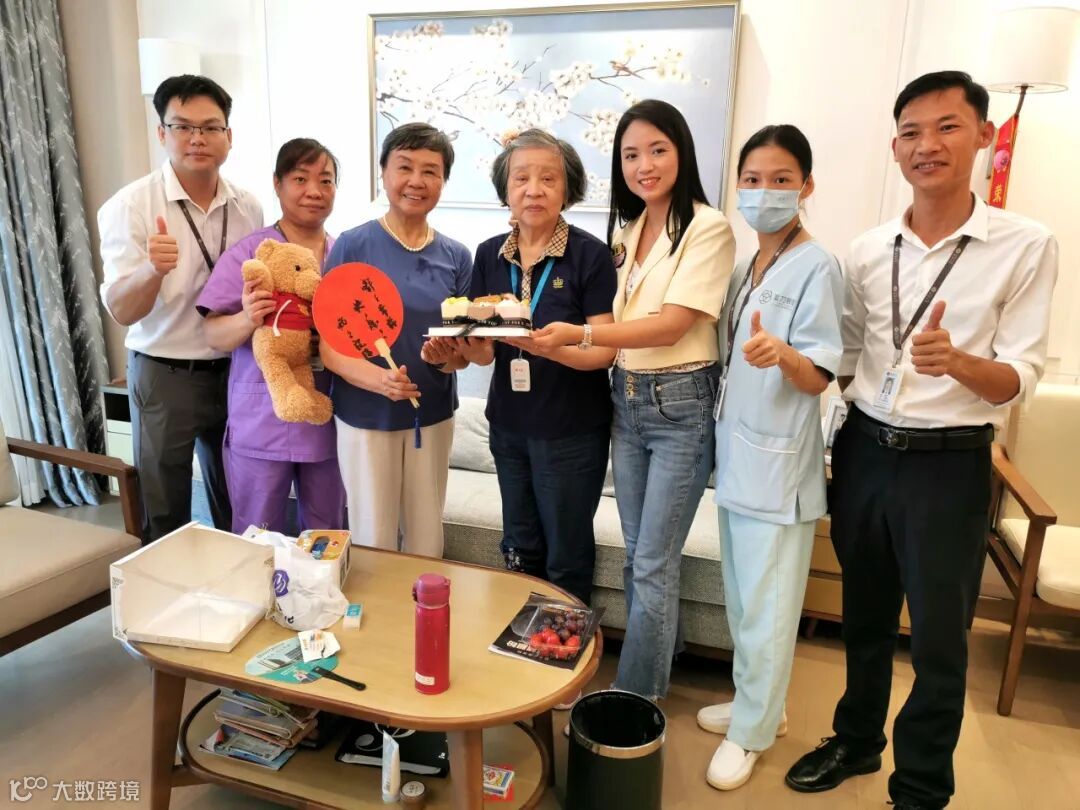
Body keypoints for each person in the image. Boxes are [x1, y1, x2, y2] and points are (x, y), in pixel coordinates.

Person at [785, 71, 1058, 809]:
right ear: (895, 147)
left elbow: (1020, 377)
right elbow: (846, 354)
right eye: (911, 132)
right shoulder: (870, 248)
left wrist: (959, 362)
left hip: (951, 464)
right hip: (867, 453)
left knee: (938, 640)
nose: (926, 145)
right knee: (865, 618)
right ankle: (856, 742)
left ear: (984, 136)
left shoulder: (1025, 245)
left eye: (946, 127)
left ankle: (921, 786)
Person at [532, 99, 735, 699]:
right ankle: (658, 662)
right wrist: (558, 342)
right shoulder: (624, 234)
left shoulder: (709, 227)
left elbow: (671, 326)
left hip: (680, 404)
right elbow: (613, 321)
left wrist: (580, 335)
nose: (644, 165)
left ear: (682, 153)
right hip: (625, 398)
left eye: (657, 150)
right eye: (630, 155)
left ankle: (636, 696)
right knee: (636, 557)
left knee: (652, 561)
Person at [696, 125, 842, 791]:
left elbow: (818, 377)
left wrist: (784, 355)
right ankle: (760, 705)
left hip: (779, 471)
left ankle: (752, 732)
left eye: (781, 179)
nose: (764, 192)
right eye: (752, 180)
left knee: (769, 610)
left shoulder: (818, 266)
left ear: (806, 186)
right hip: (738, 460)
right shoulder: (745, 267)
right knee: (742, 603)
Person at [435, 129, 617, 605]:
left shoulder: (590, 255)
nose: (534, 190)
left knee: (566, 552)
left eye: (548, 178)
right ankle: (519, 637)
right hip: (509, 426)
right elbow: (484, 352)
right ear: (506, 189)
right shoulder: (489, 253)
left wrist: (547, 349)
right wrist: (458, 350)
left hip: (572, 431)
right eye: (521, 178)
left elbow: (605, 350)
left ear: (568, 188)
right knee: (520, 545)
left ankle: (564, 642)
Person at [98, 74, 263, 541]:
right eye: (183, 126)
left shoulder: (248, 206)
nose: (197, 138)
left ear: (228, 135)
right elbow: (122, 311)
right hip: (165, 373)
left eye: (210, 127)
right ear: (161, 133)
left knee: (240, 499)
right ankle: (164, 587)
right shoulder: (131, 205)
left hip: (236, 368)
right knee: (165, 504)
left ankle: (239, 580)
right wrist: (152, 270)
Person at [320, 123, 471, 556]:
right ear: (384, 173)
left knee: (426, 536)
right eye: (404, 167)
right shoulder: (352, 246)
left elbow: (462, 353)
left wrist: (446, 359)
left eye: (431, 171)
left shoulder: (457, 256)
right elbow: (328, 346)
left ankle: (425, 601)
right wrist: (379, 381)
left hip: (432, 415)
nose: (416, 181)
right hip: (366, 415)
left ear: (443, 181)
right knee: (373, 536)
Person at [196, 138, 346, 534]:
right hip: (262, 417)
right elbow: (213, 333)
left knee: (327, 534)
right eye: (300, 179)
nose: (314, 191)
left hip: (326, 417)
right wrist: (248, 318)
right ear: (277, 184)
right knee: (257, 535)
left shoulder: (343, 255)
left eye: (326, 181)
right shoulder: (251, 253)